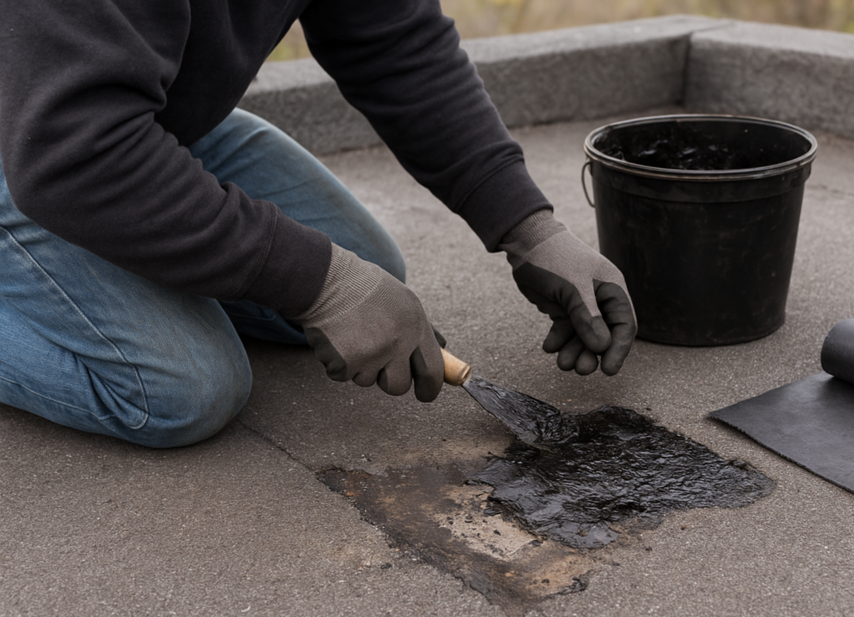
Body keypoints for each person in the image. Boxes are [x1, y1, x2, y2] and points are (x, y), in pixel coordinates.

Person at [0, 0, 636, 448]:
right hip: (48, 137)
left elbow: (395, 42)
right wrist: (315, 282)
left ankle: (121, 226)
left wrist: (529, 228)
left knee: (370, 276)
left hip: (134, 116)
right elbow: (73, 150)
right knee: (182, 390)